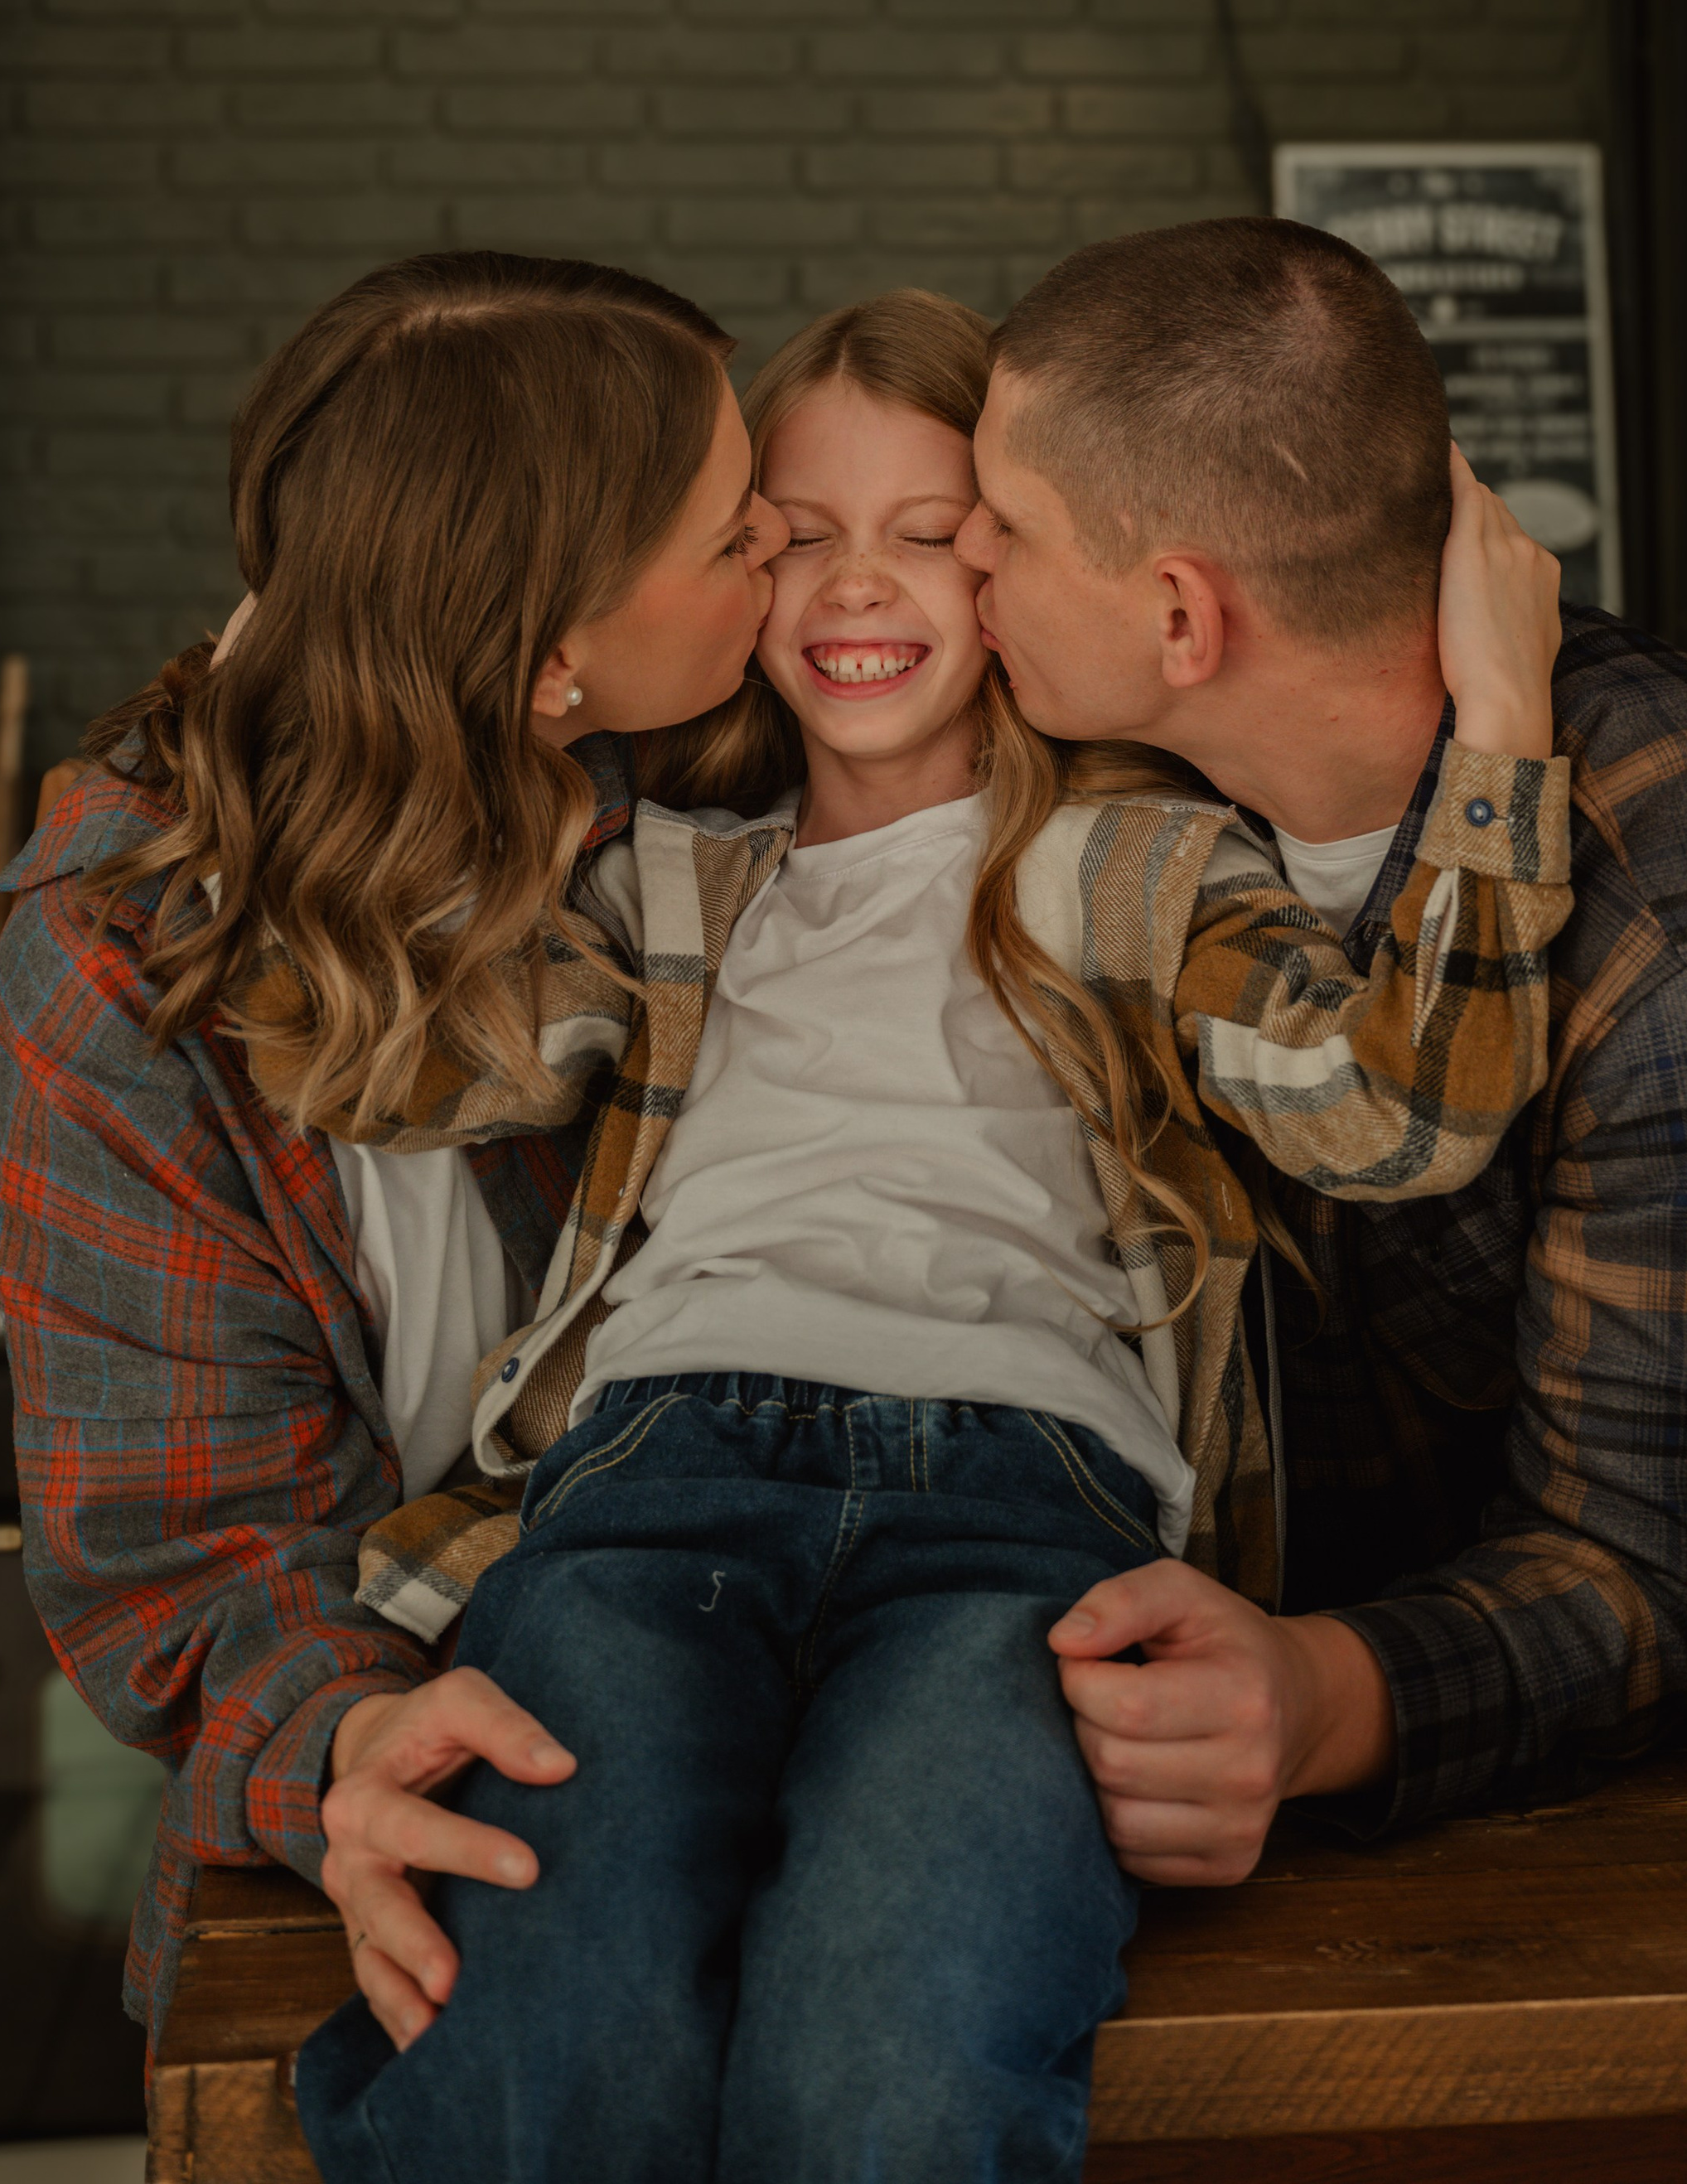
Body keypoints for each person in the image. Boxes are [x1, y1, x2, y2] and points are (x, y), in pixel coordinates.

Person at [287, 287, 1569, 2184]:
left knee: (897, 2059)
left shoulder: (1124, 867)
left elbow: (1400, 1110)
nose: (847, 585)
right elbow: (400, 1074)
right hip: (656, 1490)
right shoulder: (660, 877)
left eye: (929, 532)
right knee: (554, 2039)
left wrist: (1503, 717)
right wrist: (484, 704)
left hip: (1017, 1526)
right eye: (789, 535)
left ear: (1015, 576)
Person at [948, 214, 1687, 1884]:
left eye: (1003, 527)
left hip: (1537, 1852)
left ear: (1181, 612)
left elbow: (1639, 1566)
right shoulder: (1124, 770)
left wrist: (1312, 1697)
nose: (958, 553)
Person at [0, 252, 793, 2048]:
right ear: (550, 654)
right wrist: (350, 1736)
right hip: (377, 1876)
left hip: (768, 1756)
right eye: (736, 530)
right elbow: (183, 1553)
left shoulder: (740, 794)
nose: (786, 551)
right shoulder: (125, 946)